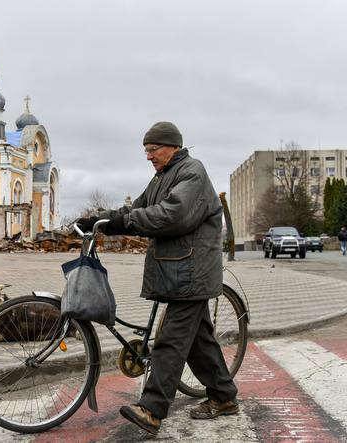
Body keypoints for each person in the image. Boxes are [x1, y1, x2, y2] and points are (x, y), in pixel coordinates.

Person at [77, 121, 238, 437]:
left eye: (153, 150)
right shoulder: (162, 177)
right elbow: (136, 210)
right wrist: (103, 220)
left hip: (192, 272)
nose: (148, 156)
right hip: (177, 269)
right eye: (146, 151)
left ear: (173, 147)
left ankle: (151, 409)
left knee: (171, 341)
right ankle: (224, 396)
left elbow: (171, 216)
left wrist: (125, 221)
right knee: (198, 341)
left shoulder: (192, 172)